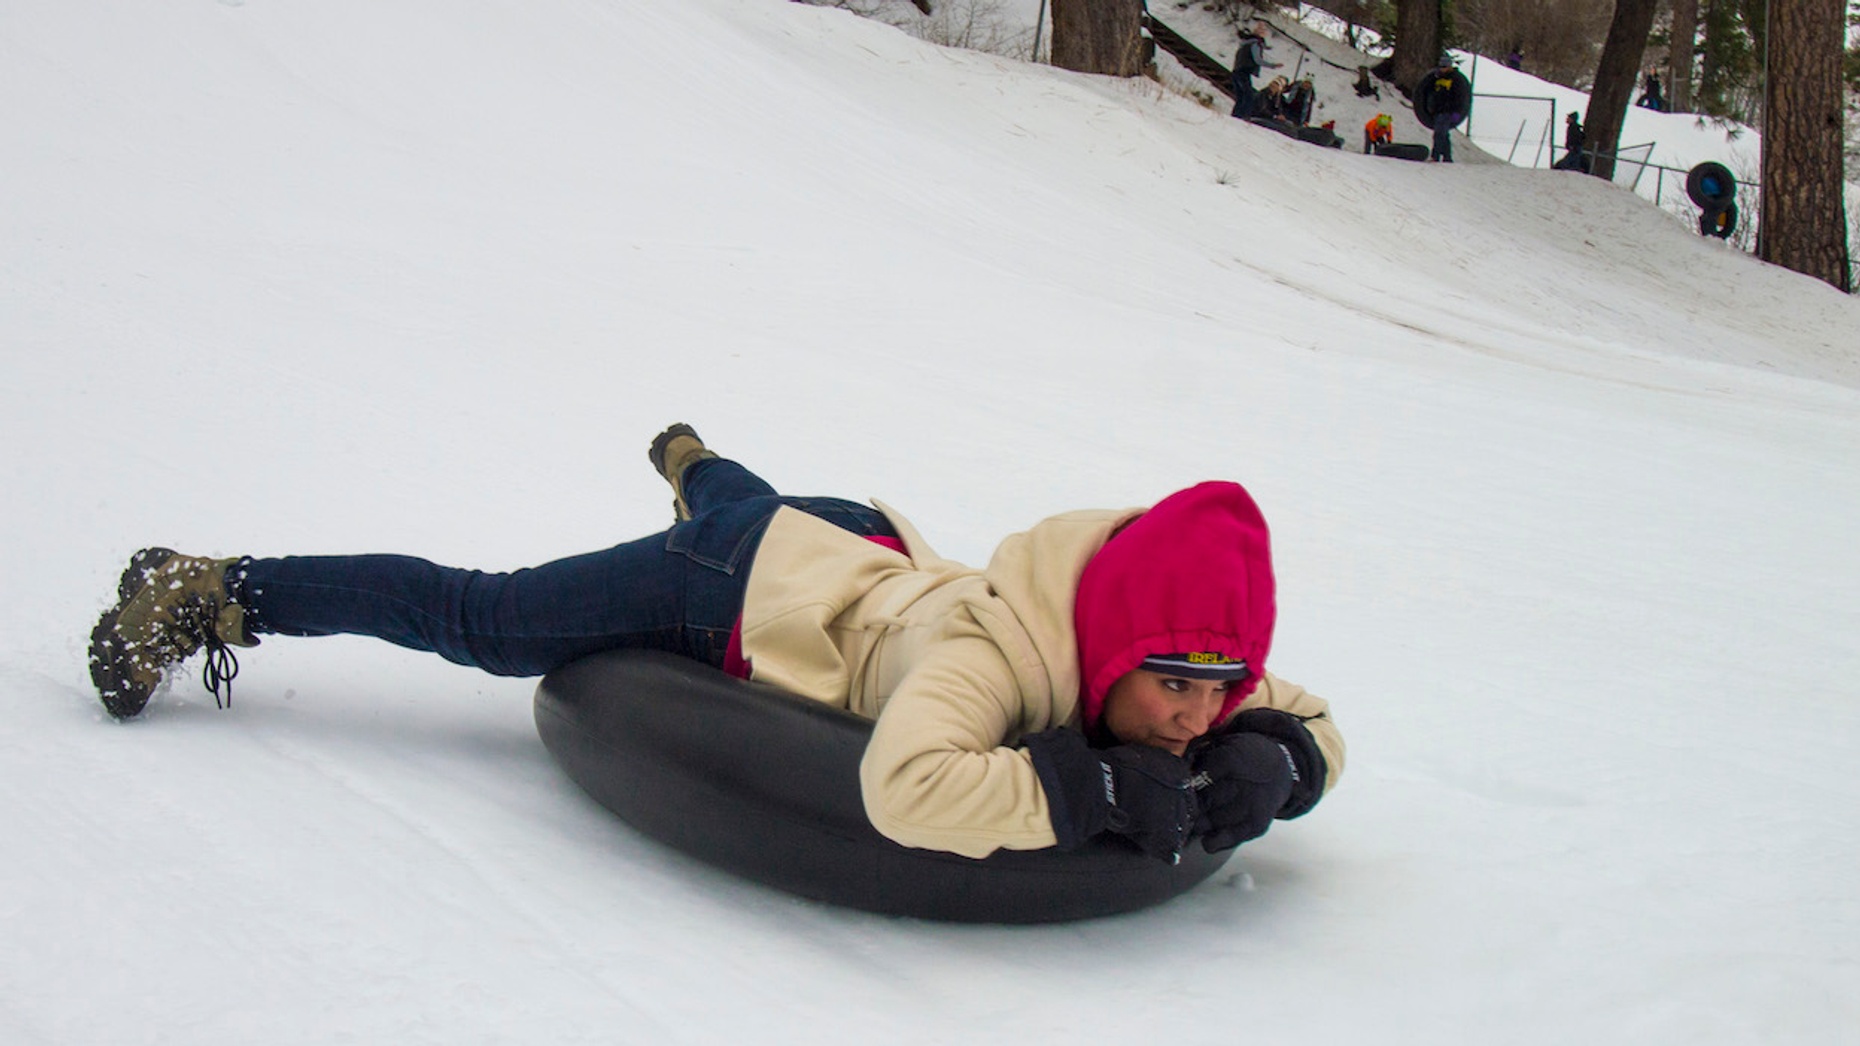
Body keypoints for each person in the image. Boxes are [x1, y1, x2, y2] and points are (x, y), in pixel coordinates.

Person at [89, 425, 1346, 865]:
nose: (1195, 716)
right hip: (736, 587)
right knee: (484, 616)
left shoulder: (1172, 664)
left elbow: (1308, 709)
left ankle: (697, 462)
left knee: (761, 502)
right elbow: (908, 783)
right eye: (1176, 685)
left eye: (1215, 690)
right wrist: (1074, 789)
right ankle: (207, 589)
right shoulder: (988, 661)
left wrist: (1285, 756)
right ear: (1117, 647)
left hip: (859, 543)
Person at [1418, 53, 1472, 162]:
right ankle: (1447, 157)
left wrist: (1457, 112)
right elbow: (1427, 91)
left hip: (1448, 111)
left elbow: (1460, 97)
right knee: (1444, 134)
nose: (1442, 69)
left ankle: (1435, 155)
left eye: (1445, 67)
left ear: (1449, 66)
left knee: (1439, 134)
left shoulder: (1456, 79)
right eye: (1441, 67)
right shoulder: (1436, 78)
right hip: (1438, 110)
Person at [1228, 20, 1282, 120]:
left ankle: (1235, 116)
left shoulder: (1245, 44)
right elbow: (1258, 60)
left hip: (1236, 71)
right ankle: (1244, 117)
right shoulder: (1256, 44)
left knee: (1241, 96)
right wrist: (1272, 65)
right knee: (1248, 96)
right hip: (1244, 71)